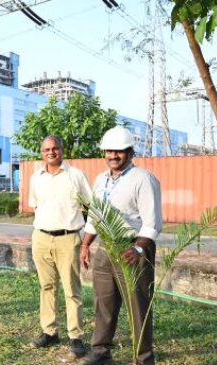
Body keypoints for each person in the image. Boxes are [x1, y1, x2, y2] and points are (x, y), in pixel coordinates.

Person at [79, 126, 162, 365]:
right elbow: (95, 216)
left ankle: (143, 358)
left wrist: (138, 249)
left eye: (119, 151)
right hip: (106, 247)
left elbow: (153, 221)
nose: (113, 156)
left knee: (138, 306)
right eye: (109, 151)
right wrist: (86, 245)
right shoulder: (100, 179)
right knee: (103, 301)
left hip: (133, 249)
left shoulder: (143, 179)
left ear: (130, 152)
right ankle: (101, 352)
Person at [28, 136, 91, 356]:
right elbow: (35, 206)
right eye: (47, 149)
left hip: (68, 239)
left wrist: (85, 240)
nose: (51, 152)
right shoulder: (36, 177)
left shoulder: (76, 176)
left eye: (55, 148)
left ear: (62, 150)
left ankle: (75, 336)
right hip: (41, 238)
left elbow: (89, 207)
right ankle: (50, 332)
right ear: (41, 152)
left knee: (72, 290)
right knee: (46, 287)